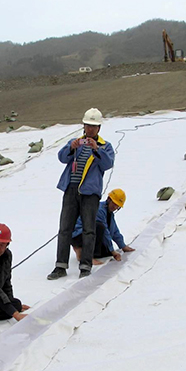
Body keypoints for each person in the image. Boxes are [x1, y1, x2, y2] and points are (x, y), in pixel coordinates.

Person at [47, 108, 115, 280]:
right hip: (71, 189)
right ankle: (60, 266)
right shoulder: (75, 141)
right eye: (87, 125)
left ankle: (86, 265)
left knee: (89, 229)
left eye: (93, 126)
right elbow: (62, 157)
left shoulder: (105, 146)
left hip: (89, 193)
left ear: (99, 128)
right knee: (65, 228)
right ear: (83, 126)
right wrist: (71, 148)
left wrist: (96, 150)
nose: (90, 129)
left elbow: (107, 164)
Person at [71, 189, 135, 265]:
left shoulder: (109, 214)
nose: (115, 207)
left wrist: (123, 246)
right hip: (78, 235)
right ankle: (86, 257)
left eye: (117, 206)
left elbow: (114, 231)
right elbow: (105, 232)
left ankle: (82, 251)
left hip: (87, 235)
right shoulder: (99, 209)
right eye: (114, 204)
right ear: (108, 199)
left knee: (106, 252)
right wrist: (113, 251)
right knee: (99, 227)